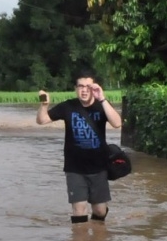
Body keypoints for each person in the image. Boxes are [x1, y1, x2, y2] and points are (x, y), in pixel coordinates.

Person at [37, 70, 123, 224]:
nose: (84, 90)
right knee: (79, 209)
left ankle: (97, 236)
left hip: (99, 167)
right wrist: (44, 105)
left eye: (88, 87)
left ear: (95, 88)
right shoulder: (67, 106)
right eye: (80, 86)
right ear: (76, 88)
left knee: (100, 211)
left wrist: (102, 99)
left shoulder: (101, 105)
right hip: (74, 168)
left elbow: (117, 124)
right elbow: (42, 120)